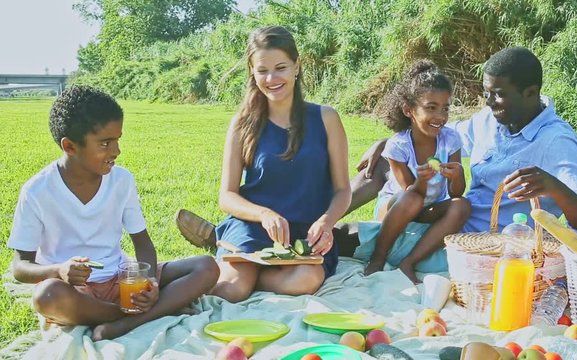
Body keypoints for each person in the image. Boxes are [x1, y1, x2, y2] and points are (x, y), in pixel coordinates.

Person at [339, 47, 577, 257]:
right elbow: (436, 134)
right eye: (487, 93)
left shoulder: (555, 141)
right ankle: (323, 217)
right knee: (385, 163)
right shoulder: (490, 120)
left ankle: (327, 236)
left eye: (498, 94)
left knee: (348, 240)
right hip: (443, 216)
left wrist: (553, 187)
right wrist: (388, 142)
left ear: (531, 92)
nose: (489, 102)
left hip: (479, 243)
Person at [7, 86, 219, 341]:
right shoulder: (37, 191)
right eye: (105, 143)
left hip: (122, 280)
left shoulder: (121, 180)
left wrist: (148, 282)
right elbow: (20, 267)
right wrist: (59, 270)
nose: (116, 150)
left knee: (206, 266)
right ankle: (139, 315)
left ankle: (127, 320)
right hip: (76, 292)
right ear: (70, 146)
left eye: (118, 139)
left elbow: (143, 244)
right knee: (48, 296)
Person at [175, 25, 351, 303]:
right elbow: (227, 196)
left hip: (308, 232)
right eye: (262, 70)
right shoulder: (243, 123)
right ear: (252, 71)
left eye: (280, 67)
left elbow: (343, 189)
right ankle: (233, 256)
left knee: (307, 280)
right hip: (254, 226)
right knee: (233, 289)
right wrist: (265, 214)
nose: (271, 78)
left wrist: (327, 223)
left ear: (297, 66)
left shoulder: (326, 118)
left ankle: (245, 264)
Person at [362, 60, 470, 283]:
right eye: (431, 107)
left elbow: (456, 192)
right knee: (411, 198)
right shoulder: (398, 146)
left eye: (445, 108)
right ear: (408, 110)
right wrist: (422, 180)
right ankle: (378, 257)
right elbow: (411, 192)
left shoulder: (450, 139)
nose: (440, 116)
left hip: (427, 208)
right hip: (396, 206)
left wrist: (458, 174)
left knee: (462, 205)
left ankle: (408, 263)